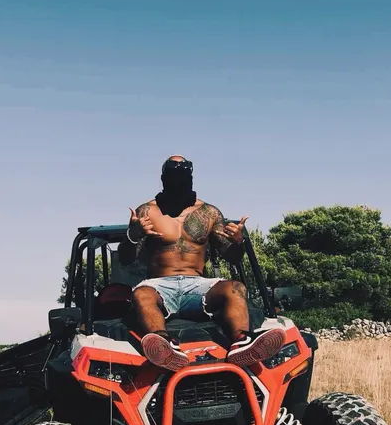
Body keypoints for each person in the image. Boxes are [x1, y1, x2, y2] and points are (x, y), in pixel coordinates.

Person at [118, 156, 286, 371]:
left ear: (190, 178)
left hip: (198, 285)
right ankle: (163, 345)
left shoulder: (209, 213)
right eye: (173, 176)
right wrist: (133, 235)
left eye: (183, 176)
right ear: (163, 179)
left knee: (235, 287)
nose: (178, 182)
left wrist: (239, 242)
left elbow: (232, 257)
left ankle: (241, 342)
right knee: (141, 294)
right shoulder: (146, 212)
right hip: (159, 285)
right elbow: (125, 259)